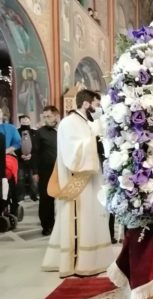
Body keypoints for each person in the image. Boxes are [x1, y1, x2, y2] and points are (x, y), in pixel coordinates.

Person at [42, 89, 113, 277]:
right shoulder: (69, 123)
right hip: (78, 182)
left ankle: (95, 258)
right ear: (86, 104)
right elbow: (72, 153)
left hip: (91, 180)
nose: (98, 109)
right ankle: (78, 262)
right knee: (80, 218)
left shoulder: (84, 122)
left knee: (92, 217)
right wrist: (94, 137)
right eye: (96, 105)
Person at [86, 91, 117, 244]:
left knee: (110, 199)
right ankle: (98, 233)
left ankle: (110, 233)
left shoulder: (111, 119)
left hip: (111, 164)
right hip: (97, 165)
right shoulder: (89, 123)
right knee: (98, 201)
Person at [32, 106, 59, 235]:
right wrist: (35, 172)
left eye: (49, 116)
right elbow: (35, 153)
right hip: (45, 171)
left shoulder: (61, 131)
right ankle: (47, 225)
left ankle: (58, 224)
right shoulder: (40, 133)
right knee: (46, 199)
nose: (46, 119)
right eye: (44, 116)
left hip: (61, 170)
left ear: (56, 116)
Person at [0, 106, 22, 219]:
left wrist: (5, 151)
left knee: (8, 178)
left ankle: (9, 205)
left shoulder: (10, 128)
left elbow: (18, 143)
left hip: (6, 157)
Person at [17, 115, 38, 202]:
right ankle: (20, 196)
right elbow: (14, 145)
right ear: (20, 122)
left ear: (30, 121)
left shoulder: (35, 132)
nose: (25, 122)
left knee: (33, 178)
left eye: (27, 120)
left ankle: (34, 195)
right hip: (20, 160)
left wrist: (31, 154)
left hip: (32, 160)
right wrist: (20, 155)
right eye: (23, 121)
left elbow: (37, 146)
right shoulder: (16, 132)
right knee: (20, 178)